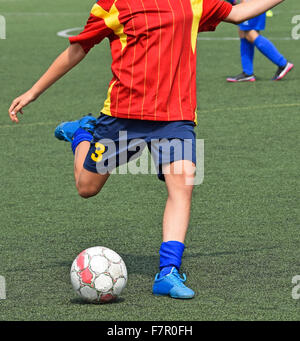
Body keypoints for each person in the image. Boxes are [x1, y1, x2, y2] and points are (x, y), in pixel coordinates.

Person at [8, 0, 286, 299]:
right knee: (86, 188)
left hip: (175, 117)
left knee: (183, 184)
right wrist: (34, 91)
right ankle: (82, 133)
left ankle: (168, 272)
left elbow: (239, 12)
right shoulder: (112, 6)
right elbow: (77, 49)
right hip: (123, 117)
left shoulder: (193, 2)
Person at [227, 0, 293, 82]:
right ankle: (247, 73)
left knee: (249, 33)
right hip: (253, 4)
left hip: (250, 4)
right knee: (243, 32)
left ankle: (283, 63)